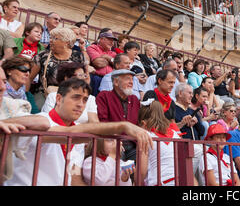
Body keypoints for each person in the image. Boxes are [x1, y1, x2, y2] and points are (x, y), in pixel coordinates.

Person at [3, 78, 153, 186]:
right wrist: (122, 126)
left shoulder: (80, 137)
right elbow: (70, 132)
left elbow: (73, 177)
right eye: (76, 98)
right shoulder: (40, 121)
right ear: (59, 99)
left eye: (85, 100)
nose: (81, 104)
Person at [30, 27, 85, 107]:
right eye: (50, 38)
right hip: (44, 94)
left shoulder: (78, 56)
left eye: (55, 38)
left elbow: (83, 79)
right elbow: (29, 77)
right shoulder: (42, 55)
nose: (51, 40)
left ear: (66, 42)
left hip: (70, 94)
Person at [96, 69, 141, 161]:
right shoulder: (104, 96)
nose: (131, 82)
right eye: (127, 79)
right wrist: (116, 141)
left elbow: (138, 123)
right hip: (113, 143)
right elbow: (102, 121)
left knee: (144, 160)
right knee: (118, 169)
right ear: (116, 82)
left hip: (133, 144)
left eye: (132, 79)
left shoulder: (134, 99)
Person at [138, 101, 182, 186]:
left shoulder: (145, 135)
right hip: (179, 181)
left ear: (143, 122)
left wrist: (135, 183)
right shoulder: (175, 134)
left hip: (159, 182)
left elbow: (142, 172)